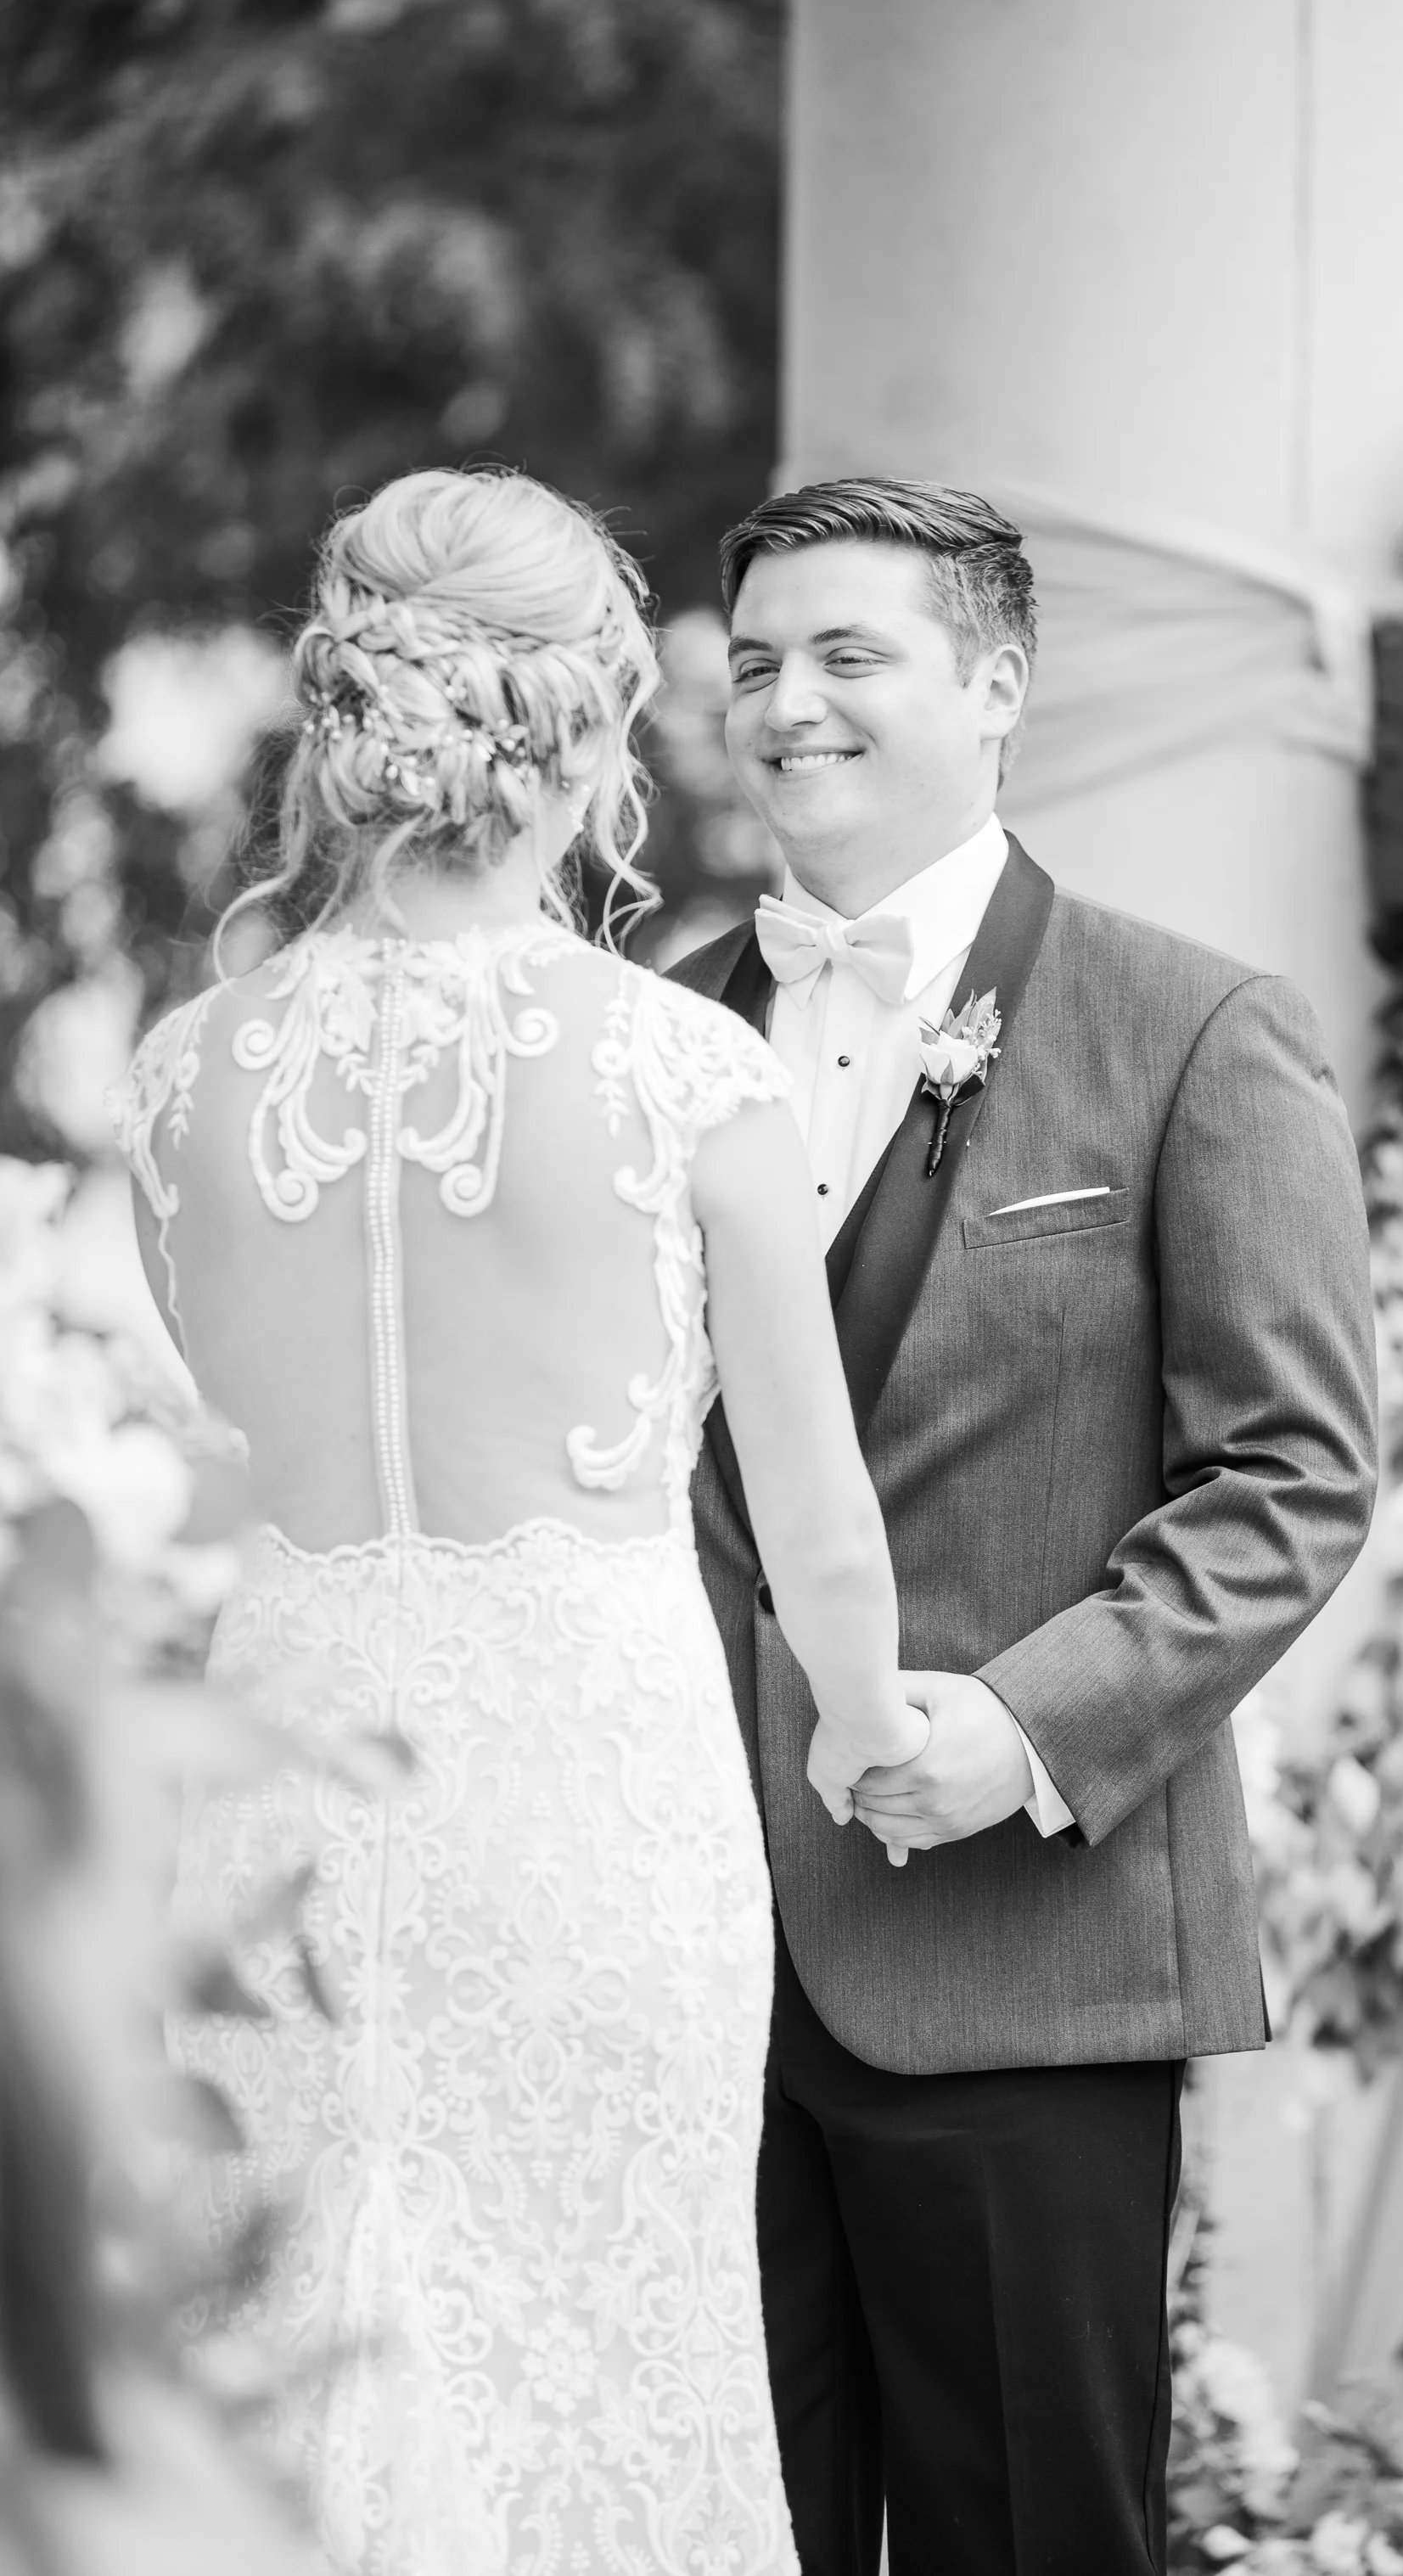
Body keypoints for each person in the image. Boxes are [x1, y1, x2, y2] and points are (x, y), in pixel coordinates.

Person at [108, 467, 929, 2576]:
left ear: (347, 718)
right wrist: (868, 1726)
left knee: (289, 2354)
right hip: (595, 1811)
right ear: (588, 732)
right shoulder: (687, 1072)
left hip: (277, 1816)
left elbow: (216, 1430)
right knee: (604, 2363)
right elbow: (818, 1521)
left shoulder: (183, 1079)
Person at [671, 476, 1379, 2576]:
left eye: (847, 654)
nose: (788, 703)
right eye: (755, 663)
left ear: (995, 685)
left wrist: (1033, 1724)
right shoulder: (646, 1037)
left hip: (1020, 1952)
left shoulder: (1193, 1031)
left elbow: (1292, 1472)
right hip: (687, 1938)